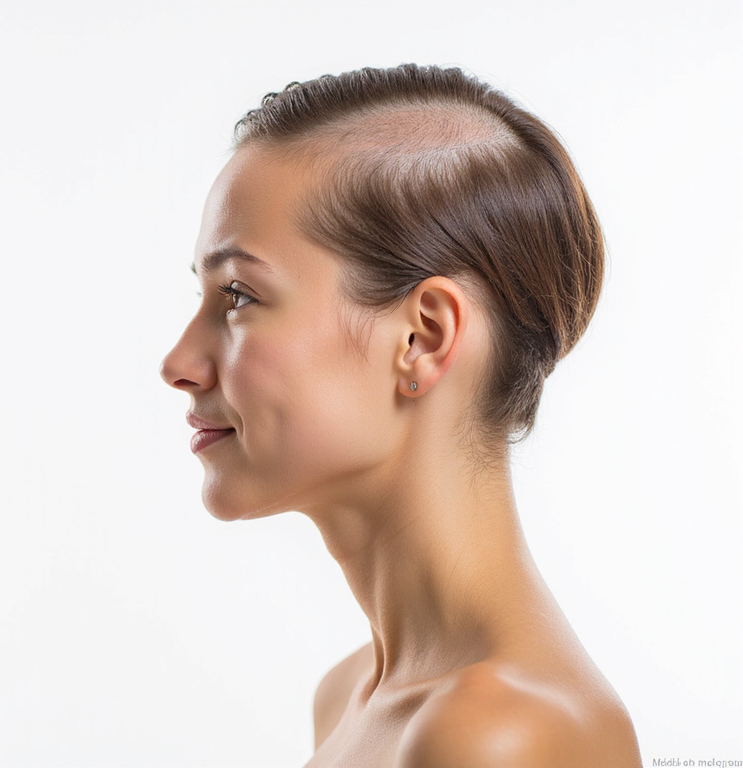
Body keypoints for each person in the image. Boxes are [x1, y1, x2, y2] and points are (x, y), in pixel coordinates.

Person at [160, 64, 640, 767]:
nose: (178, 362)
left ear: (423, 338)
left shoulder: (500, 736)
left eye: (239, 296)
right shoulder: (350, 697)